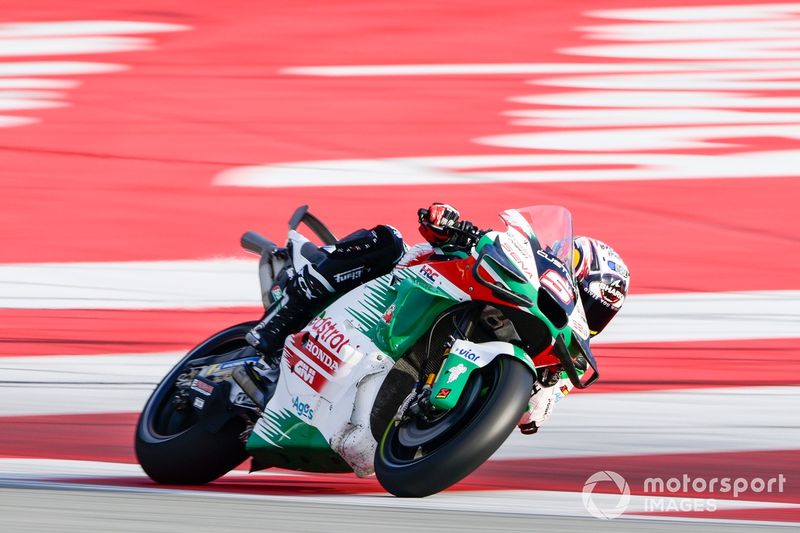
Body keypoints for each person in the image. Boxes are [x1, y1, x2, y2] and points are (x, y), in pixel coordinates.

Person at [246, 203, 630, 434]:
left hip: (390, 421)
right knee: (388, 240)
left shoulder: (557, 368)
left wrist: (539, 389)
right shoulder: (514, 262)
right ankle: (274, 329)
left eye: (596, 310)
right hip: (399, 285)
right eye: (582, 296)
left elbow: (530, 419)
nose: (581, 309)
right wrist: (450, 224)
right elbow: (443, 229)